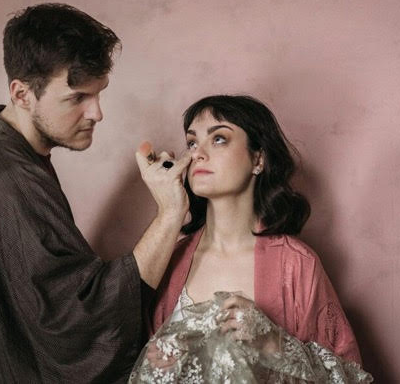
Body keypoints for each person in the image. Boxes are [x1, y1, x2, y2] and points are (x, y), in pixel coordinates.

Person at [0, 3, 191, 383]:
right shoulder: (9, 181)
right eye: (77, 98)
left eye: (98, 94)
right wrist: (169, 214)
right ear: (22, 94)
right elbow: (82, 319)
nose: (96, 113)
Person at [144, 95, 363, 378]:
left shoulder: (296, 264)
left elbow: (349, 375)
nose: (197, 153)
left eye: (219, 139)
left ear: (258, 158)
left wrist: (273, 344)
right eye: (192, 142)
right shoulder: (168, 260)